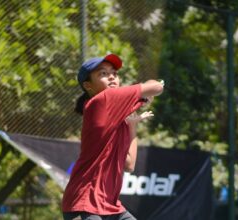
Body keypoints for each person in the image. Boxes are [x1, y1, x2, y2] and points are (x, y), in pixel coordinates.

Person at [62, 54, 164, 220]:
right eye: (103, 74)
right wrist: (154, 86)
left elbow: (129, 164)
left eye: (114, 73)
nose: (111, 76)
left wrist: (131, 126)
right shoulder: (103, 99)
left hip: (110, 206)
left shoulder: (121, 118)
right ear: (88, 85)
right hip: (84, 203)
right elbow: (156, 88)